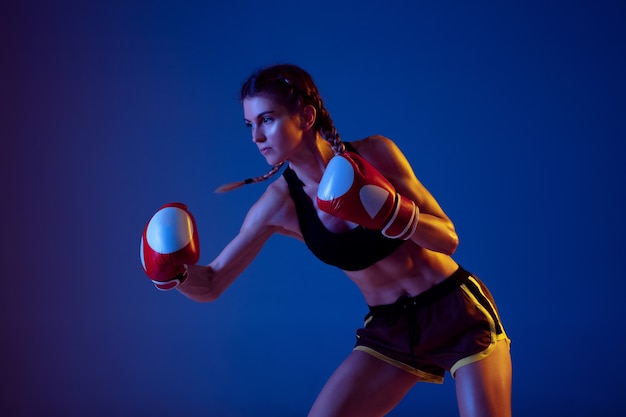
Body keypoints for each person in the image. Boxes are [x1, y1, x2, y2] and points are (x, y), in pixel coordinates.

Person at [141, 64, 512, 417]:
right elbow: (212, 283)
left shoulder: (375, 154)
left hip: (455, 310)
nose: (256, 137)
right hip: (390, 330)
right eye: (249, 124)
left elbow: (448, 239)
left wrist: (394, 212)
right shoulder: (278, 205)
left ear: (304, 117)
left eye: (267, 119)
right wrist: (173, 274)